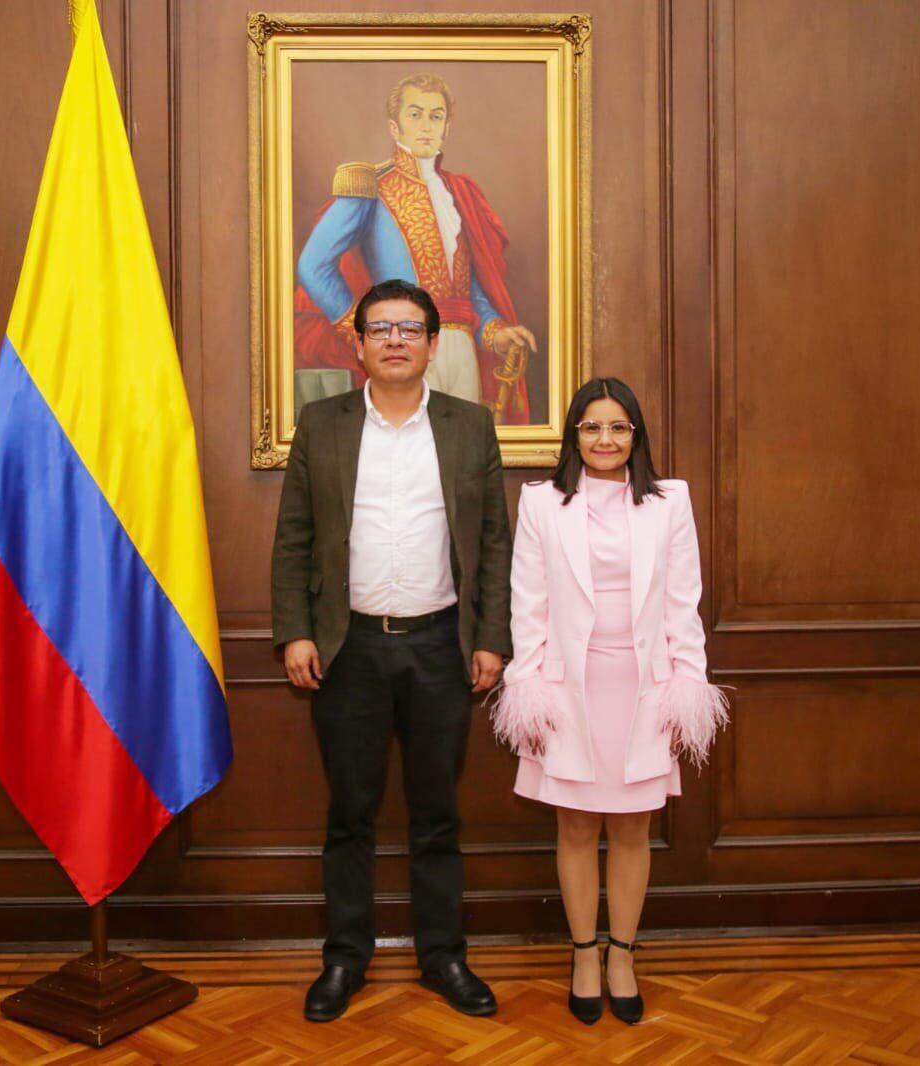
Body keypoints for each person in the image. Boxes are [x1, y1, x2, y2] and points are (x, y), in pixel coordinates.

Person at [271, 278, 513, 1022]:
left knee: (437, 812)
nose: (397, 341)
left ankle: (444, 957)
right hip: (350, 650)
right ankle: (345, 960)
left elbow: (495, 545)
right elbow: (295, 539)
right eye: (382, 329)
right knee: (351, 812)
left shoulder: (471, 426)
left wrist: (491, 640)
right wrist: (296, 631)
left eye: (411, 329)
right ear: (361, 344)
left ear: (434, 344)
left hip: (442, 645)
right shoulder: (324, 425)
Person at [491, 377, 729, 1025]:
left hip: (643, 687)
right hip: (570, 688)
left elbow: (685, 605)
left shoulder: (669, 502)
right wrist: (528, 690)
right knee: (574, 825)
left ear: (636, 435)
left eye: (618, 427)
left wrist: (687, 689)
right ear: (574, 435)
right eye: (592, 427)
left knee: (631, 828)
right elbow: (527, 606)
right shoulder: (542, 503)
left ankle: (622, 953)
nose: (605, 439)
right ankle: (583, 955)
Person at [292, 72, 538, 424]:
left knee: (461, 459)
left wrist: (495, 331)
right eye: (415, 114)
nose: (426, 125)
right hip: (404, 347)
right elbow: (314, 266)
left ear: (446, 126)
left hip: (462, 349)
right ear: (395, 128)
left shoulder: (461, 193)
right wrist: (362, 328)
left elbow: (467, 291)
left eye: (436, 116)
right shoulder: (370, 186)